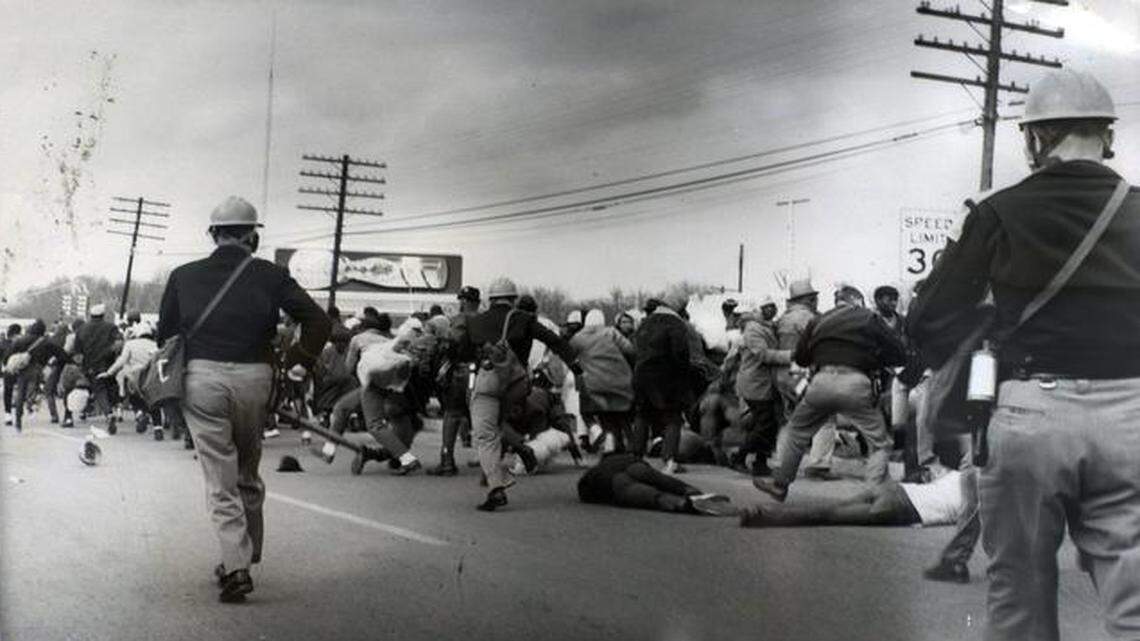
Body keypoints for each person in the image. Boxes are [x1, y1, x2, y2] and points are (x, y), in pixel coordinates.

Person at [907, 69, 1139, 641]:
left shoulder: (999, 211)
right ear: (1105, 136)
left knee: (1019, 597)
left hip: (1031, 409)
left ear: (1037, 138)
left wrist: (986, 344)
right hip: (1133, 413)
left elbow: (929, 319)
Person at [158, 195, 329, 603]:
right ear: (253, 234)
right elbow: (318, 320)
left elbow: (165, 334)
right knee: (248, 470)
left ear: (213, 233)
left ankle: (236, 566)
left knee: (220, 478)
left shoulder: (183, 275)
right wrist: (299, 363)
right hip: (256, 378)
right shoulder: (270, 274)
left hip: (202, 379)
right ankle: (245, 556)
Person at [754, 285, 906, 502]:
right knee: (879, 443)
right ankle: (876, 493)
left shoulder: (818, 320)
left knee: (796, 431)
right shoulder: (868, 317)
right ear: (856, 300)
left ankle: (780, 485)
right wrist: (873, 358)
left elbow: (802, 358)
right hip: (855, 382)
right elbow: (899, 353)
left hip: (821, 383)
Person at [455, 277, 579, 511]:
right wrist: (577, 367)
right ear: (513, 299)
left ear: (490, 299)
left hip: (489, 382)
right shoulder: (524, 320)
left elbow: (462, 353)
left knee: (485, 432)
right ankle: (512, 458)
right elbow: (555, 341)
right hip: (519, 384)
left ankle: (496, 486)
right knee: (498, 425)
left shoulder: (475, 322)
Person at [740, 469, 964, 528]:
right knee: (829, 515)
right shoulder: (989, 496)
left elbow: (930, 476)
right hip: (905, 507)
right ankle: (761, 514)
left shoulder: (965, 473)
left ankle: (761, 510)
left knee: (832, 507)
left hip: (897, 489)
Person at [727, 297, 792, 477]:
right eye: (767, 307)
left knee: (767, 424)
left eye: (773, 306)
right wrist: (791, 356)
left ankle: (760, 462)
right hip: (755, 384)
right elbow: (764, 355)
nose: (771, 310)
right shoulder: (753, 329)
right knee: (765, 424)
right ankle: (739, 457)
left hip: (764, 383)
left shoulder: (767, 326)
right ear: (758, 309)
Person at [630, 292, 692, 474]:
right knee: (673, 417)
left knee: (643, 415)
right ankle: (669, 460)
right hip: (666, 376)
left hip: (641, 375)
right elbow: (680, 354)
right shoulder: (676, 324)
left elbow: (635, 349)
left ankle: (636, 457)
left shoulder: (645, 323)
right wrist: (683, 379)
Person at [577, 452, 737, 516]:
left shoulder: (594, 472)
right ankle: (692, 491)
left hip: (601, 479)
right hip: (632, 462)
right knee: (655, 477)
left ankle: (678, 503)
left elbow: (584, 490)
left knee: (630, 488)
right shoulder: (625, 457)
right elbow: (655, 476)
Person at [428, 286, 481, 476]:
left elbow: (454, 342)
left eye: (461, 300)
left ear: (465, 301)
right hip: (482, 371)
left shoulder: (462, 319)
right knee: (483, 416)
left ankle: (447, 461)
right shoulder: (484, 319)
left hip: (462, 370)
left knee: (452, 414)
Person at [570, 309, 636, 453]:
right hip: (619, 380)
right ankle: (630, 446)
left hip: (594, 383)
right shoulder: (611, 333)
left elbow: (568, 355)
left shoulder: (578, 338)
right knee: (621, 416)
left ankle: (611, 445)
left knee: (603, 416)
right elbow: (630, 350)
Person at [9, 319, 70, 432]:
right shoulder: (47, 342)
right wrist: (58, 362)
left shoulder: (21, 340)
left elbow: (10, 353)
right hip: (37, 370)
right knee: (34, 391)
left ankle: (18, 419)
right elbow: (62, 355)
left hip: (23, 369)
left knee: (20, 393)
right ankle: (31, 405)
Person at [72, 304, 122, 434]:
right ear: (103, 315)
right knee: (111, 386)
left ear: (91, 315)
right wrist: (110, 352)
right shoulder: (111, 327)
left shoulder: (82, 329)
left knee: (99, 390)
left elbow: (77, 351)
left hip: (90, 366)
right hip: (108, 364)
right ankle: (114, 408)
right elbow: (118, 344)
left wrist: (81, 366)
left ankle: (108, 413)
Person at [2, 323, 23, 425]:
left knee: (8, 391)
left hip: (8, 370)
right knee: (20, 390)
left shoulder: (4, 343)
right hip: (21, 370)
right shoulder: (22, 342)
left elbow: (3, 357)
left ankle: (8, 414)